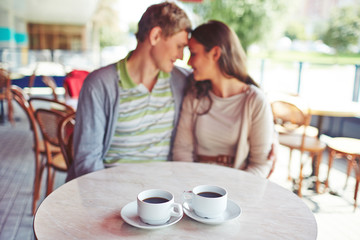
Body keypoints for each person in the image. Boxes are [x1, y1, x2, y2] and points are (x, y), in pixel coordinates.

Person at [66, 2, 192, 181]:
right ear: (155, 36)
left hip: (164, 195)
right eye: (179, 46)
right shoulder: (99, 85)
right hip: (111, 191)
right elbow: (88, 160)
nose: (181, 56)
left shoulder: (181, 80)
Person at [173, 20, 275, 177]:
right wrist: (193, 188)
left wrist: (231, 193)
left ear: (215, 53)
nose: (188, 62)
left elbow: (260, 164)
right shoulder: (194, 95)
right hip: (195, 188)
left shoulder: (255, 101)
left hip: (239, 190)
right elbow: (182, 151)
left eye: (193, 54)